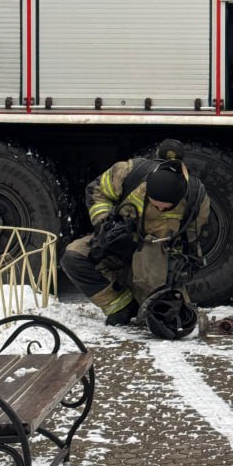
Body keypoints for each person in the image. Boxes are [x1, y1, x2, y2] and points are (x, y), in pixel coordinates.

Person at [60, 140, 210, 329]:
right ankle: (120, 306)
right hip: (117, 242)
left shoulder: (196, 198)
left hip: (156, 257)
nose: (160, 208)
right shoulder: (128, 173)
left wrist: (174, 276)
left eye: (165, 207)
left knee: (163, 319)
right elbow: (97, 191)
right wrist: (106, 225)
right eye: (155, 203)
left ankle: (148, 302)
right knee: (74, 255)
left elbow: (189, 241)